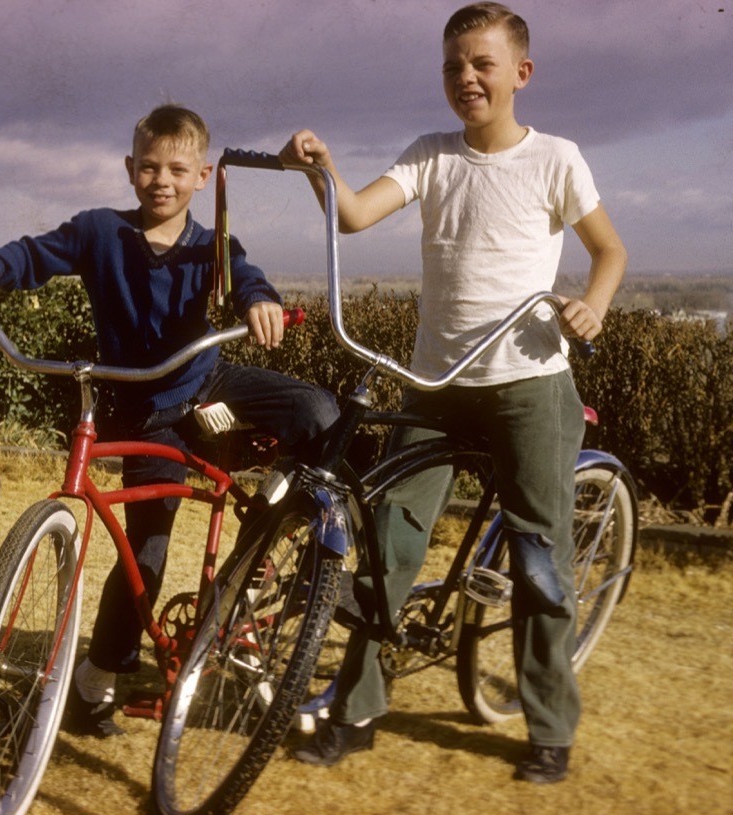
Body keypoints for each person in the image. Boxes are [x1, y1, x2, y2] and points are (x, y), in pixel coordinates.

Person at [280, 2, 627, 784]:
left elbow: (609, 249)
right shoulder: (432, 154)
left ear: (520, 74)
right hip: (433, 384)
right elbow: (357, 214)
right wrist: (317, 168)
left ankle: (548, 726)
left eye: (481, 64)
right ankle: (358, 708)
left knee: (539, 558)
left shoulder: (557, 159)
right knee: (387, 542)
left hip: (529, 385)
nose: (465, 78)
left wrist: (593, 305)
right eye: (451, 66)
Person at [0, 103, 339, 737]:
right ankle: (94, 683)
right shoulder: (100, 232)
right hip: (141, 409)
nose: (162, 179)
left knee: (320, 412)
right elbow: (32, 253)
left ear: (203, 175)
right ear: (130, 169)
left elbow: (247, 280)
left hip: (206, 383)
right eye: (150, 166)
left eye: (178, 169)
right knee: (145, 561)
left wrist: (261, 301)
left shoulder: (213, 246)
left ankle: (260, 549)